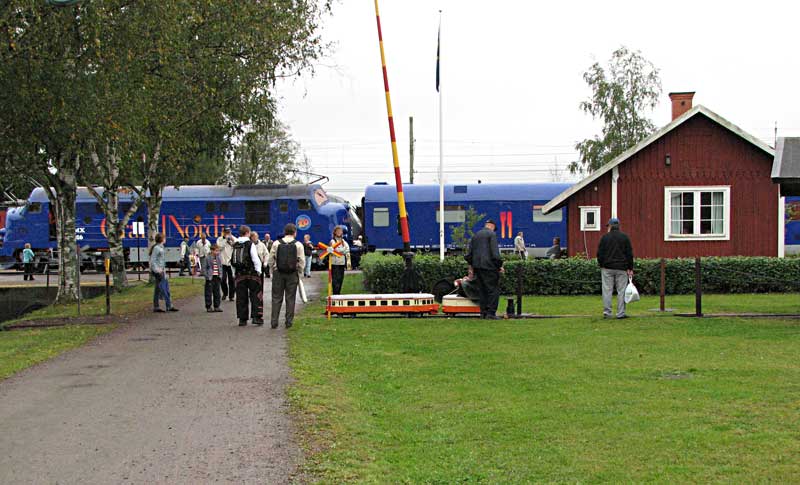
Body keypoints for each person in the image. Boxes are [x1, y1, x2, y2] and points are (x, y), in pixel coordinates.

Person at [465, 219, 504, 319]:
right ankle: (491, 313)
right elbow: (495, 254)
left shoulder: (475, 235)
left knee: (482, 290)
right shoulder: (491, 235)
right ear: (492, 226)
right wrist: (499, 266)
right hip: (489, 267)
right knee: (493, 290)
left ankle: (483, 312)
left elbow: (469, 254)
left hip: (477, 267)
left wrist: (472, 266)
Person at [269, 223, 305, 329]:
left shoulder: (276, 243)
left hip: (278, 273)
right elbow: (302, 261)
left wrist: (272, 270)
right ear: (295, 232)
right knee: (290, 298)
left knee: (276, 297)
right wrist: (300, 273)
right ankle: (288, 321)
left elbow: (271, 259)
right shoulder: (298, 244)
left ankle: (274, 322)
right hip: (292, 274)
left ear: (285, 232)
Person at [597, 217, 634, 319]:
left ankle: (607, 313)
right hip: (622, 268)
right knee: (621, 291)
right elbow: (629, 254)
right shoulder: (625, 237)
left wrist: (601, 264)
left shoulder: (605, 238)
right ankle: (620, 313)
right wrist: (630, 268)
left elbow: (600, 253)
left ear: (610, 226)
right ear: (618, 226)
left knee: (607, 290)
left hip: (607, 268)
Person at [232, 225, 263, 326]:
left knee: (241, 296)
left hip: (239, 274)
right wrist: (259, 271)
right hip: (251, 274)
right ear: (248, 233)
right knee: (255, 295)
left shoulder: (235, 244)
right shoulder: (250, 244)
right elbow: (255, 259)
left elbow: (233, 259)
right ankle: (256, 317)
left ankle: (242, 319)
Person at [149, 233, 179, 313]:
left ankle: (156, 306)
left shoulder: (160, 247)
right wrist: (157, 270)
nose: (165, 239)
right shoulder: (157, 248)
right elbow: (153, 260)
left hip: (162, 271)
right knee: (164, 288)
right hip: (159, 272)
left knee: (158, 289)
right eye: (164, 238)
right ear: (162, 239)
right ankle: (169, 305)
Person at [329, 226, 350, 295]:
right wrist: (342, 250)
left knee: (341, 279)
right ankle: (335, 294)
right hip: (335, 263)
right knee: (335, 279)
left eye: (340, 231)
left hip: (342, 263)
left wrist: (341, 251)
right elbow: (335, 250)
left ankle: (338, 293)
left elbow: (347, 249)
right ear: (335, 232)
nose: (339, 232)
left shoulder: (343, 241)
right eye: (338, 231)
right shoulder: (332, 241)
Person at [203, 244, 224, 313]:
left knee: (217, 292)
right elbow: (204, 268)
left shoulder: (218, 258)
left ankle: (216, 306)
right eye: (216, 251)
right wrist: (207, 276)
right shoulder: (207, 258)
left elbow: (220, 266)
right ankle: (208, 306)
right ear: (212, 251)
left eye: (218, 251)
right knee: (209, 292)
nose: (217, 252)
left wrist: (220, 275)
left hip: (217, 277)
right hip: (210, 277)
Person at [216, 228, 235, 301]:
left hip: (231, 263)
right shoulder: (220, 239)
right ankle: (225, 293)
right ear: (223, 233)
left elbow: (236, 245)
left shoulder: (233, 238)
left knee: (232, 280)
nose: (227, 234)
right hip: (222, 262)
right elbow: (219, 247)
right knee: (223, 279)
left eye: (228, 232)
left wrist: (231, 240)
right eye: (225, 232)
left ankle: (231, 295)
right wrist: (225, 240)